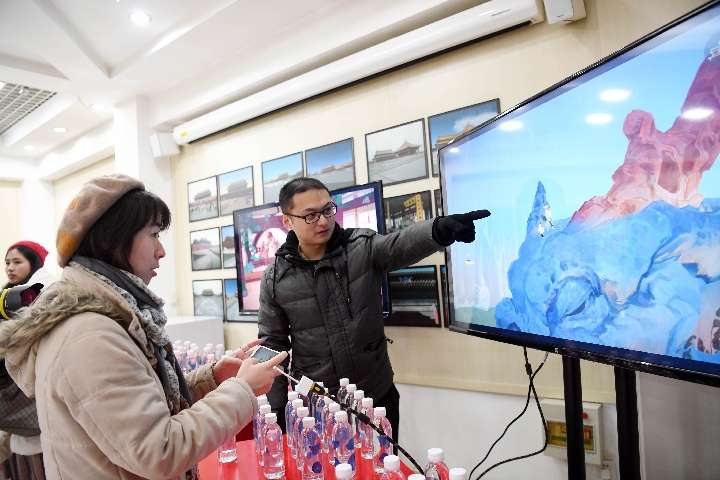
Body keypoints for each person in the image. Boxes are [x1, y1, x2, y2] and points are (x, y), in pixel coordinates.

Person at [0, 174, 287, 480]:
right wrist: (242, 391)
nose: (161, 250)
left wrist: (212, 379)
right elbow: (159, 451)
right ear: (112, 240)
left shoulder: (105, 318)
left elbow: (142, 406)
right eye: (153, 234)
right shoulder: (89, 335)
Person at [257, 177, 489, 439]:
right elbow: (272, 346)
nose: (323, 221)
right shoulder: (275, 279)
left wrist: (439, 230)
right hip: (317, 407)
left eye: (327, 210)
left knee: (384, 461)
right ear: (287, 221)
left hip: (376, 396)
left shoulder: (361, 247)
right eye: (310, 215)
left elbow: (400, 244)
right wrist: (276, 409)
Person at [1, 241, 55, 480]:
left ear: (34, 263)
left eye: (17, 262)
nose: (10, 268)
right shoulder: (9, 297)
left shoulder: (44, 294)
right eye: (7, 263)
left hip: (30, 398)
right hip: (14, 403)